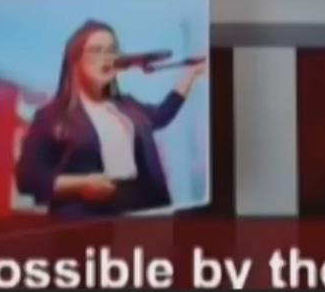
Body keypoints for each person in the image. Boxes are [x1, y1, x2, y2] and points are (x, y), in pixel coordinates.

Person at [15, 19, 206, 217]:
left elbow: (160, 115)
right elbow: (27, 180)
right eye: (96, 50)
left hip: (139, 212)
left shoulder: (127, 106)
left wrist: (190, 75)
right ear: (75, 59)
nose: (106, 58)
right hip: (86, 219)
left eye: (112, 50)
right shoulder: (52, 117)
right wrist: (81, 184)